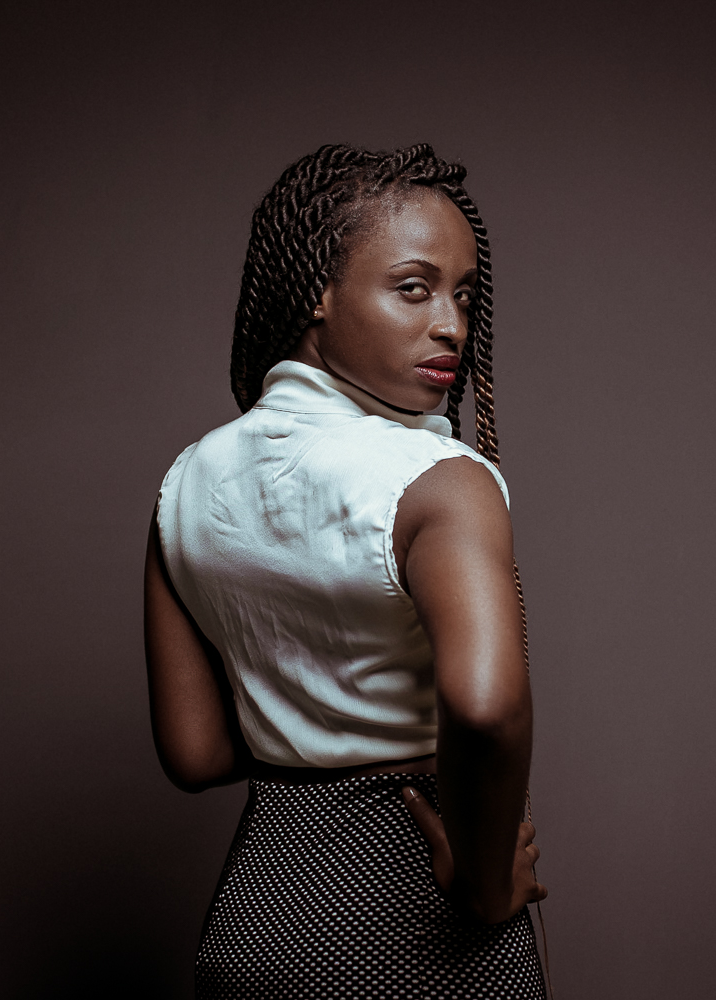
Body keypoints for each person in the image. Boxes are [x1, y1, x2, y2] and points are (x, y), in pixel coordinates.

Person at [144, 143, 547, 998]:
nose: (452, 325)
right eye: (413, 287)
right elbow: (486, 707)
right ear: (316, 293)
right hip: (413, 917)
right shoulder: (442, 481)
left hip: (256, 918)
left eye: (464, 294)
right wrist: (484, 884)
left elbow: (196, 752)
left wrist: (306, 708)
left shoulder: (186, 483)